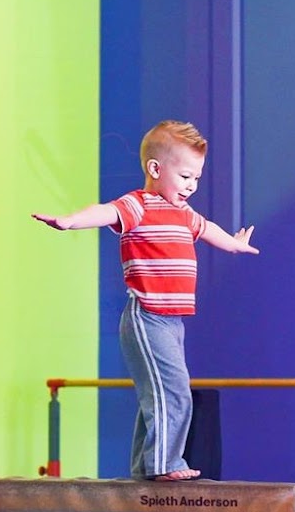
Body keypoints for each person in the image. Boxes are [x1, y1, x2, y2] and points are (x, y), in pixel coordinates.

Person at [34, 120, 258, 481]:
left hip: (173, 322)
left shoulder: (184, 214)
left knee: (157, 395)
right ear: (155, 169)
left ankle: (144, 468)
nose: (192, 185)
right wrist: (70, 221)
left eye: (197, 178)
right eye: (185, 176)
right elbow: (105, 211)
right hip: (147, 317)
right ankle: (163, 464)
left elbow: (208, 229)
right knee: (174, 394)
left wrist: (233, 243)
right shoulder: (139, 205)